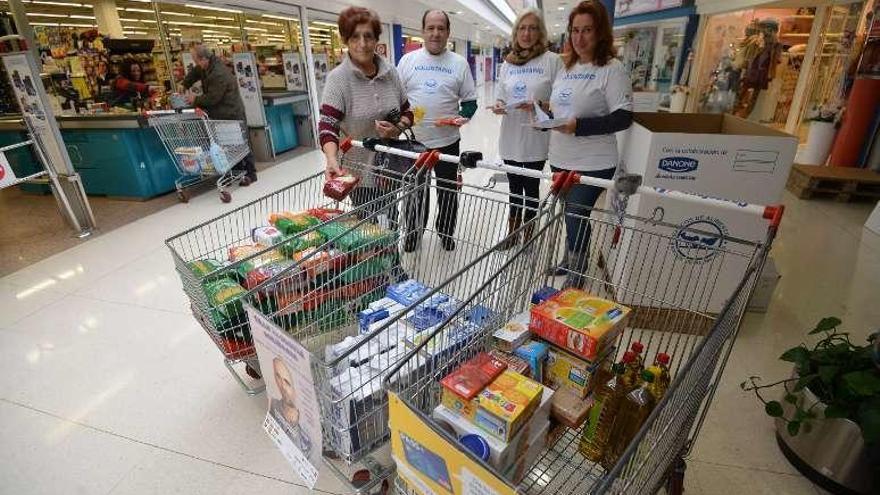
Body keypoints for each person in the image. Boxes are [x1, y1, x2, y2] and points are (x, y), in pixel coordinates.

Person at [545, 0, 633, 286]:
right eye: (575, 30)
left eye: (587, 30)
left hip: (593, 162)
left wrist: (579, 127)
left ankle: (578, 274)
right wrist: (543, 111)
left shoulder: (612, 69)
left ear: (600, 33)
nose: (579, 38)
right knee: (567, 214)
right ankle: (569, 259)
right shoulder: (566, 66)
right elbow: (564, 106)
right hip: (560, 156)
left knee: (576, 213)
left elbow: (623, 118)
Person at [320, 6, 413, 216]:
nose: (362, 44)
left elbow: (409, 114)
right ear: (345, 40)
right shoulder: (339, 79)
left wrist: (396, 128)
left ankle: (390, 247)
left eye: (368, 36)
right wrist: (332, 159)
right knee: (370, 227)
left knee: (390, 219)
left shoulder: (391, 73)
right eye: (355, 37)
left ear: (376, 39)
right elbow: (327, 126)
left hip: (389, 168)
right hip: (358, 171)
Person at [397, 10, 478, 252]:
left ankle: (445, 231)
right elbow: (398, 100)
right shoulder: (408, 62)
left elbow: (471, 101)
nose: (435, 33)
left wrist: (462, 117)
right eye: (430, 28)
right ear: (422, 31)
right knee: (415, 192)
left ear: (448, 32)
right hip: (415, 142)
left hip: (448, 141)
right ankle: (413, 234)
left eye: (440, 28)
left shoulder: (459, 63)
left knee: (448, 192)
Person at [492, 9, 561, 250]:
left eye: (532, 28)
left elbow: (563, 100)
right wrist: (500, 106)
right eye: (522, 28)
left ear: (540, 33)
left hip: (535, 136)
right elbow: (501, 95)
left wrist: (539, 105)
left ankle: (528, 236)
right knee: (513, 188)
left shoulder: (552, 61)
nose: (527, 33)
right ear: (515, 33)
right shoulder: (508, 63)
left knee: (530, 188)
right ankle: (512, 234)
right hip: (511, 135)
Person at [183, 44, 258, 185]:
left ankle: (250, 173)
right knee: (228, 145)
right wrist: (185, 84)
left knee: (239, 143)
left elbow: (213, 98)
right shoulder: (206, 67)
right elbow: (195, 72)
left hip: (231, 112)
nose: (195, 63)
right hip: (222, 113)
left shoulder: (217, 73)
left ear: (204, 59)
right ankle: (235, 173)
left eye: (196, 60)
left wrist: (195, 99)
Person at [268, 357, 313, 458]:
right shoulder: (274, 404)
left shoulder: (307, 423)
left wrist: (295, 426)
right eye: (278, 376)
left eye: (287, 383)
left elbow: (306, 454)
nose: (282, 386)